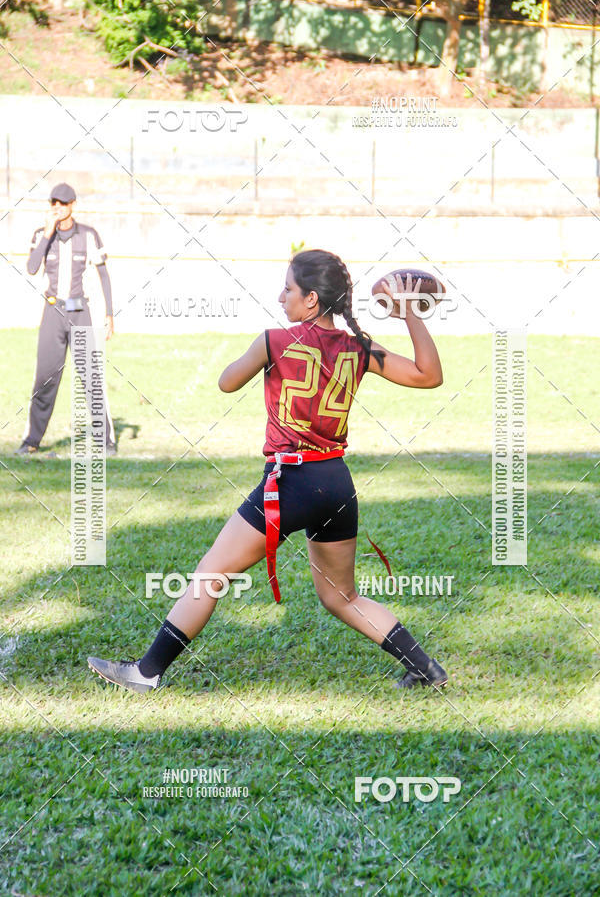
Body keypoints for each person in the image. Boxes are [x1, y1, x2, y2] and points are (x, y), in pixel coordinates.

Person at [88, 249, 448, 693]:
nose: (281, 298)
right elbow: (429, 376)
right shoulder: (359, 346)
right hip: (335, 483)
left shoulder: (275, 340)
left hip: (290, 483)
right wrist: (411, 313)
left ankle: (145, 673)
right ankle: (425, 668)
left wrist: (264, 353)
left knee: (209, 575)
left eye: (289, 289)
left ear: (312, 299)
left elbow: (227, 381)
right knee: (342, 597)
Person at [16, 182, 116, 456]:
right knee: (45, 377)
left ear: (73, 205)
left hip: (79, 312)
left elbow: (103, 275)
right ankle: (31, 441)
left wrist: (109, 313)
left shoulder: (88, 235)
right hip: (52, 312)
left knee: (90, 377)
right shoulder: (41, 235)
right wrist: (48, 232)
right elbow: (32, 268)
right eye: (54, 203)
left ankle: (106, 441)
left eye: (63, 203)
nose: (58, 208)